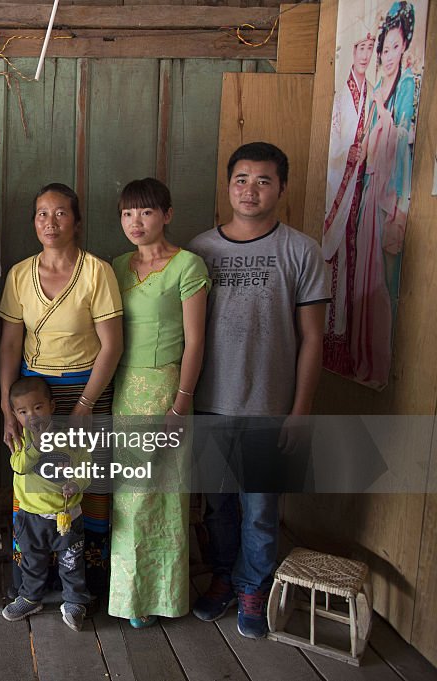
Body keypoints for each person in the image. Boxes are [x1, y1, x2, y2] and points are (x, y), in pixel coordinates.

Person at [188, 142, 327, 638]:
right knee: (218, 505)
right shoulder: (200, 250)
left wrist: (300, 409)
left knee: (262, 509)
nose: (251, 190)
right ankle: (224, 577)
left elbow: (313, 337)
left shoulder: (301, 250)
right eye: (242, 179)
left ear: (282, 189)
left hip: (270, 406)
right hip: (208, 404)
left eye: (264, 180)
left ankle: (254, 585)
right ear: (228, 185)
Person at [0, 182, 123, 600]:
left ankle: (85, 581)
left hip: (87, 392)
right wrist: (7, 408)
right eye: (41, 214)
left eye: (60, 213)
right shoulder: (19, 274)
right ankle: (35, 579)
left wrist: (85, 404)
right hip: (34, 397)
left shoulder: (96, 271)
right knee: (36, 483)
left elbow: (112, 344)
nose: (50, 222)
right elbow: (11, 345)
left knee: (84, 486)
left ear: (77, 221)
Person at [109, 178, 209, 628]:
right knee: (128, 499)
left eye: (146, 212)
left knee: (165, 497)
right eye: (128, 214)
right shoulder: (115, 265)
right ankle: (129, 598)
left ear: (167, 215)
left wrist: (181, 404)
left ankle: (163, 597)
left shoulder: (188, 266)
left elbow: (195, 342)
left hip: (167, 389)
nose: (136, 222)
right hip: (124, 390)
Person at [348, 0, 418, 389]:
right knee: (363, 280)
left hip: (390, 191)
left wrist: (401, 207)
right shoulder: (379, 86)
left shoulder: (406, 85)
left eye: (396, 47)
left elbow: (404, 140)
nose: (390, 55)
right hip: (371, 185)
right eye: (385, 48)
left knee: (384, 283)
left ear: (405, 45)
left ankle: (380, 365)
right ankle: (362, 360)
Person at [1, 377, 89, 632]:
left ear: (51, 405)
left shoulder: (69, 435)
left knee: (72, 561)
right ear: (16, 416)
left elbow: (85, 464)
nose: (32, 416)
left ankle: (74, 602)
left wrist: (76, 483)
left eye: (38, 408)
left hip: (67, 515)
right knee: (32, 561)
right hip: (31, 517)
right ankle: (30, 598)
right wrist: (36, 446)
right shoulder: (20, 438)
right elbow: (19, 466)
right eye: (23, 412)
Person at [321, 18, 375, 375]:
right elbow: (334, 149)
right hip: (341, 188)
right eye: (361, 48)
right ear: (350, 53)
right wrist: (348, 155)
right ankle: (330, 342)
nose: (366, 54)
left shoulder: (371, 92)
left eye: (371, 48)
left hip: (359, 190)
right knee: (335, 262)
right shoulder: (341, 95)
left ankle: (348, 346)